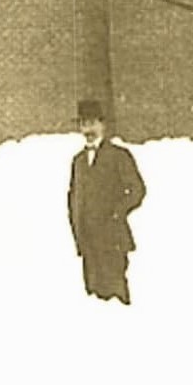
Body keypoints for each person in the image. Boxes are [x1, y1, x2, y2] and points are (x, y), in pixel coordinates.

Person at [68, 99, 146, 305]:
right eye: (84, 124)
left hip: (112, 239)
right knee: (93, 298)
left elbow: (137, 190)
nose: (88, 129)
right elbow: (74, 197)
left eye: (93, 123)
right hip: (88, 241)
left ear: (103, 124)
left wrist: (117, 213)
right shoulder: (78, 161)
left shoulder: (118, 156)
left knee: (115, 296)